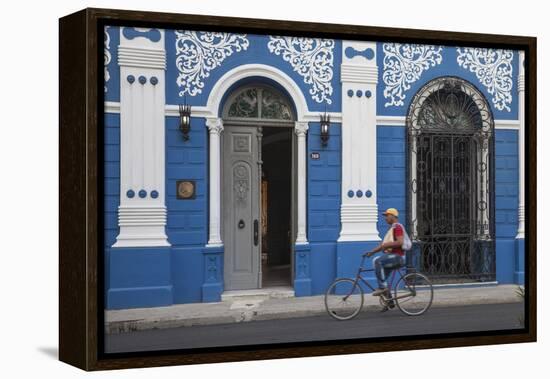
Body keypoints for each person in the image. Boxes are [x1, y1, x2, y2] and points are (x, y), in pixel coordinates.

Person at [365, 208, 406, 299]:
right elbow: (382, 245)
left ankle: (382, 287)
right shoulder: (391, 229)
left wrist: (387, 245)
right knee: (382, 277)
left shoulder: (397, 227)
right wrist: (372, 252)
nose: (385, 218)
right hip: (393, 257)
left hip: (398, 257)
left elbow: (400, 242)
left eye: (387, 216)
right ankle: (389, 301)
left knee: (377, 261)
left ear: (393, 216)